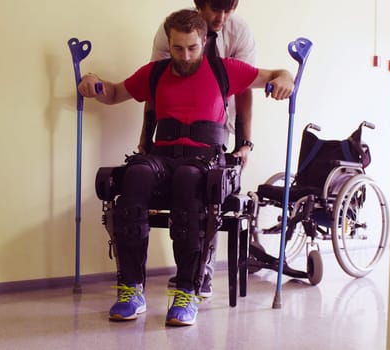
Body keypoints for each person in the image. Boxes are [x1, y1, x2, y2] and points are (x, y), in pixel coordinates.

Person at [78, 9, 293, 326]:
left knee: (188, 179)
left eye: (192, 48)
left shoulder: (224, 70)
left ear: (203, 41)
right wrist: (94, 83)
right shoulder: (156, 72)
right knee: (134, 177)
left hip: (204, 159)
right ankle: (131, 289)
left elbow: (275, 74)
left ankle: (187, 291)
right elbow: (114, 93)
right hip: (161, 156)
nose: (185, 55)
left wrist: (286, 78)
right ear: (170, 43)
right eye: (178, 48)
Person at [139, 0, 255, 298]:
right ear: (199, 5)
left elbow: (243, 90)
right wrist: (146, 142)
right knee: (180, 185)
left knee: (205, 187)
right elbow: (156, 88)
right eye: (216, 9)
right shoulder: (175, 32)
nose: (222, 17)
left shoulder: (238, 30)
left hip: (217, 125)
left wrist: (245, 142)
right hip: (173, 131)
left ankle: (200, 274)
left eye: (229, 9)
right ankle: (188, 270)